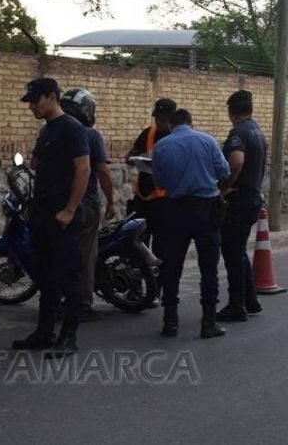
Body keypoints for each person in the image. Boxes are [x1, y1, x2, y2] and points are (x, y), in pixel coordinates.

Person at [11, 78, 90, 357]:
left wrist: (69, 210)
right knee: (45, 276)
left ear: (52, 96)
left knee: (69, 276)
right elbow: (35, 166)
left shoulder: (72, 128)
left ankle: (69, 337)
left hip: (62, 215)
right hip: (43, 214)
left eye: (35, 100)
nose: (31, 106)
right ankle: (44, 332)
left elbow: (83, 170)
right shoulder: (47, 131)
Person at [152, 109, 230, 338]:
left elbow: (160, 181)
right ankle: (208, 322)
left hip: (175, 210)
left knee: (172, 266)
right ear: (191, 122)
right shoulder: (207, 140)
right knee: (209, 268)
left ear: (170, 124)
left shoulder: (162, 146)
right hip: (206, 209)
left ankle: (170, 322)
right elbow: (224, 171)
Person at [61, 88, 115, 322]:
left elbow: (35, 164)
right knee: (85, 255)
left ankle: (58, 300)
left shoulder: (50, 130)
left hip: (56, 205)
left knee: (59, 253)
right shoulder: (92, 136)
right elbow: (102, 171)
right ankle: (82, 303)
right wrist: (111, 200)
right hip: (85, 205)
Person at [217, 90, 267, 321]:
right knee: (238, 250)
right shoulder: (257, 130)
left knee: (232, 253)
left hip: (239, 200)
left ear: (231, 113)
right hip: (252, 197)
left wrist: (225, 187)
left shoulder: (238, 132)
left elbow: (236, 161)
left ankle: (236, 305)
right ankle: (250, 299)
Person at [125, 98, 177, 270]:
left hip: (165, 201)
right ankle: (137, 287)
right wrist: (135, 159)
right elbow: (129, 156)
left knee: (162, 246)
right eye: (157, 118)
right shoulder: (148, 133)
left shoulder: (178, 138)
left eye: (163, 119)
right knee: (138, 243)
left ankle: (160, 287)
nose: (159, 123)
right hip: (143, 199)